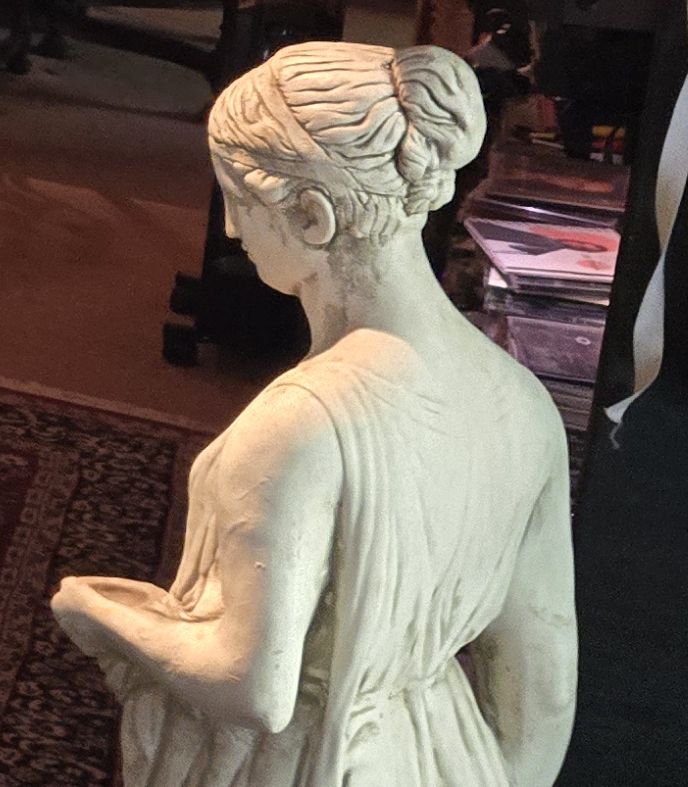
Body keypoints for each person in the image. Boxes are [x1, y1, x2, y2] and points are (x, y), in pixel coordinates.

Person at [51, 43, 577, 786]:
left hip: (314, 764)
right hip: (445, 756)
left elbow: (253, 686)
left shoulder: (300, 426)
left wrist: (103, 616)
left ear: (312, 213)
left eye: (239, 201)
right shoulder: (524, 403)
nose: (233, 231)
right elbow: (544, 679)